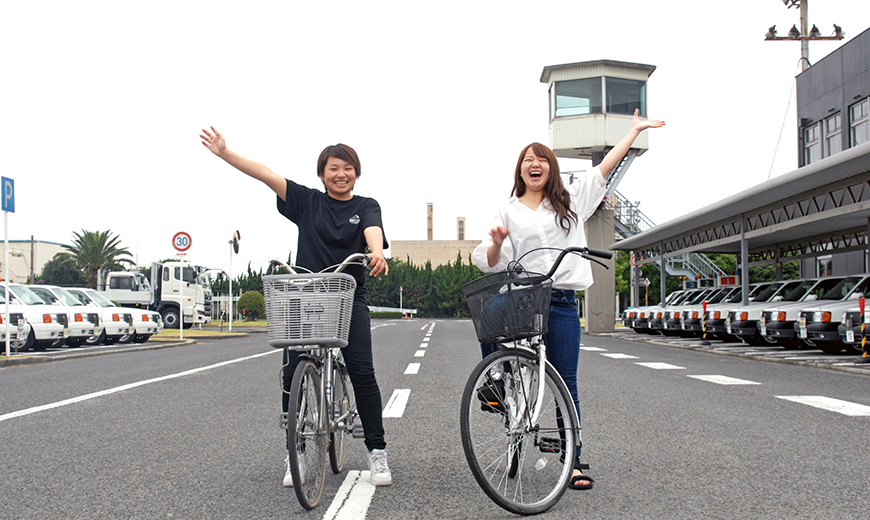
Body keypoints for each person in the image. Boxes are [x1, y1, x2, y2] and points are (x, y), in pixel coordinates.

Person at [472, 109, 665, 490]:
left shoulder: (571, 201)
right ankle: (496, 379)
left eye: (541, 158)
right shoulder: (506, 209)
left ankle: (573, 460)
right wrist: (496, 243)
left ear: (551, 168)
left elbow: (602, 170)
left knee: (566, 379)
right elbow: (490, 261)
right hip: (522, 297)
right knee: (488, 313)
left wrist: (632, 133)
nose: (534, 164)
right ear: (520, 171)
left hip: (559, 300)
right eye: (527, 160)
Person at [200, 127, 393, 487]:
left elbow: (373, 230)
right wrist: (226, 153)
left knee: (363, 372)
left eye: (347, 167)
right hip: (304, 297)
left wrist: (377, 252)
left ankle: (376, 452)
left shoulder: (366, 205)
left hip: (349, 296)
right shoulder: (307, 201)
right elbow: (266, 175)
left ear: (356, 172)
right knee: (292, 372)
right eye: (333, 168)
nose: (341, 174)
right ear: (322, 174)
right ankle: (297, 453)